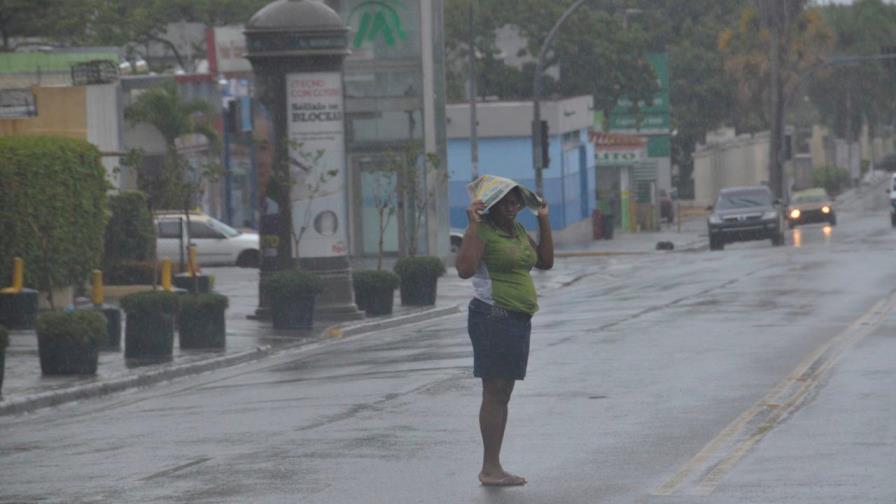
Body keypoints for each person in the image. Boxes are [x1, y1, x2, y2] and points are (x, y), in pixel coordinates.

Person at [455, 182, 554, 487]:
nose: (511, 208)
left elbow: (545, 262)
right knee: (494, 391)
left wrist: (543, 219)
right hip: (492, 316)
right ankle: (490, 467)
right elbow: (465, 269)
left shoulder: (519, 230)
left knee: (503, 393)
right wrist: (472, 225)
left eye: (515, 203)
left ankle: (494, 465)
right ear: (493, 206)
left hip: (516, 319)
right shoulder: (484, 231)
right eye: (505, 204)